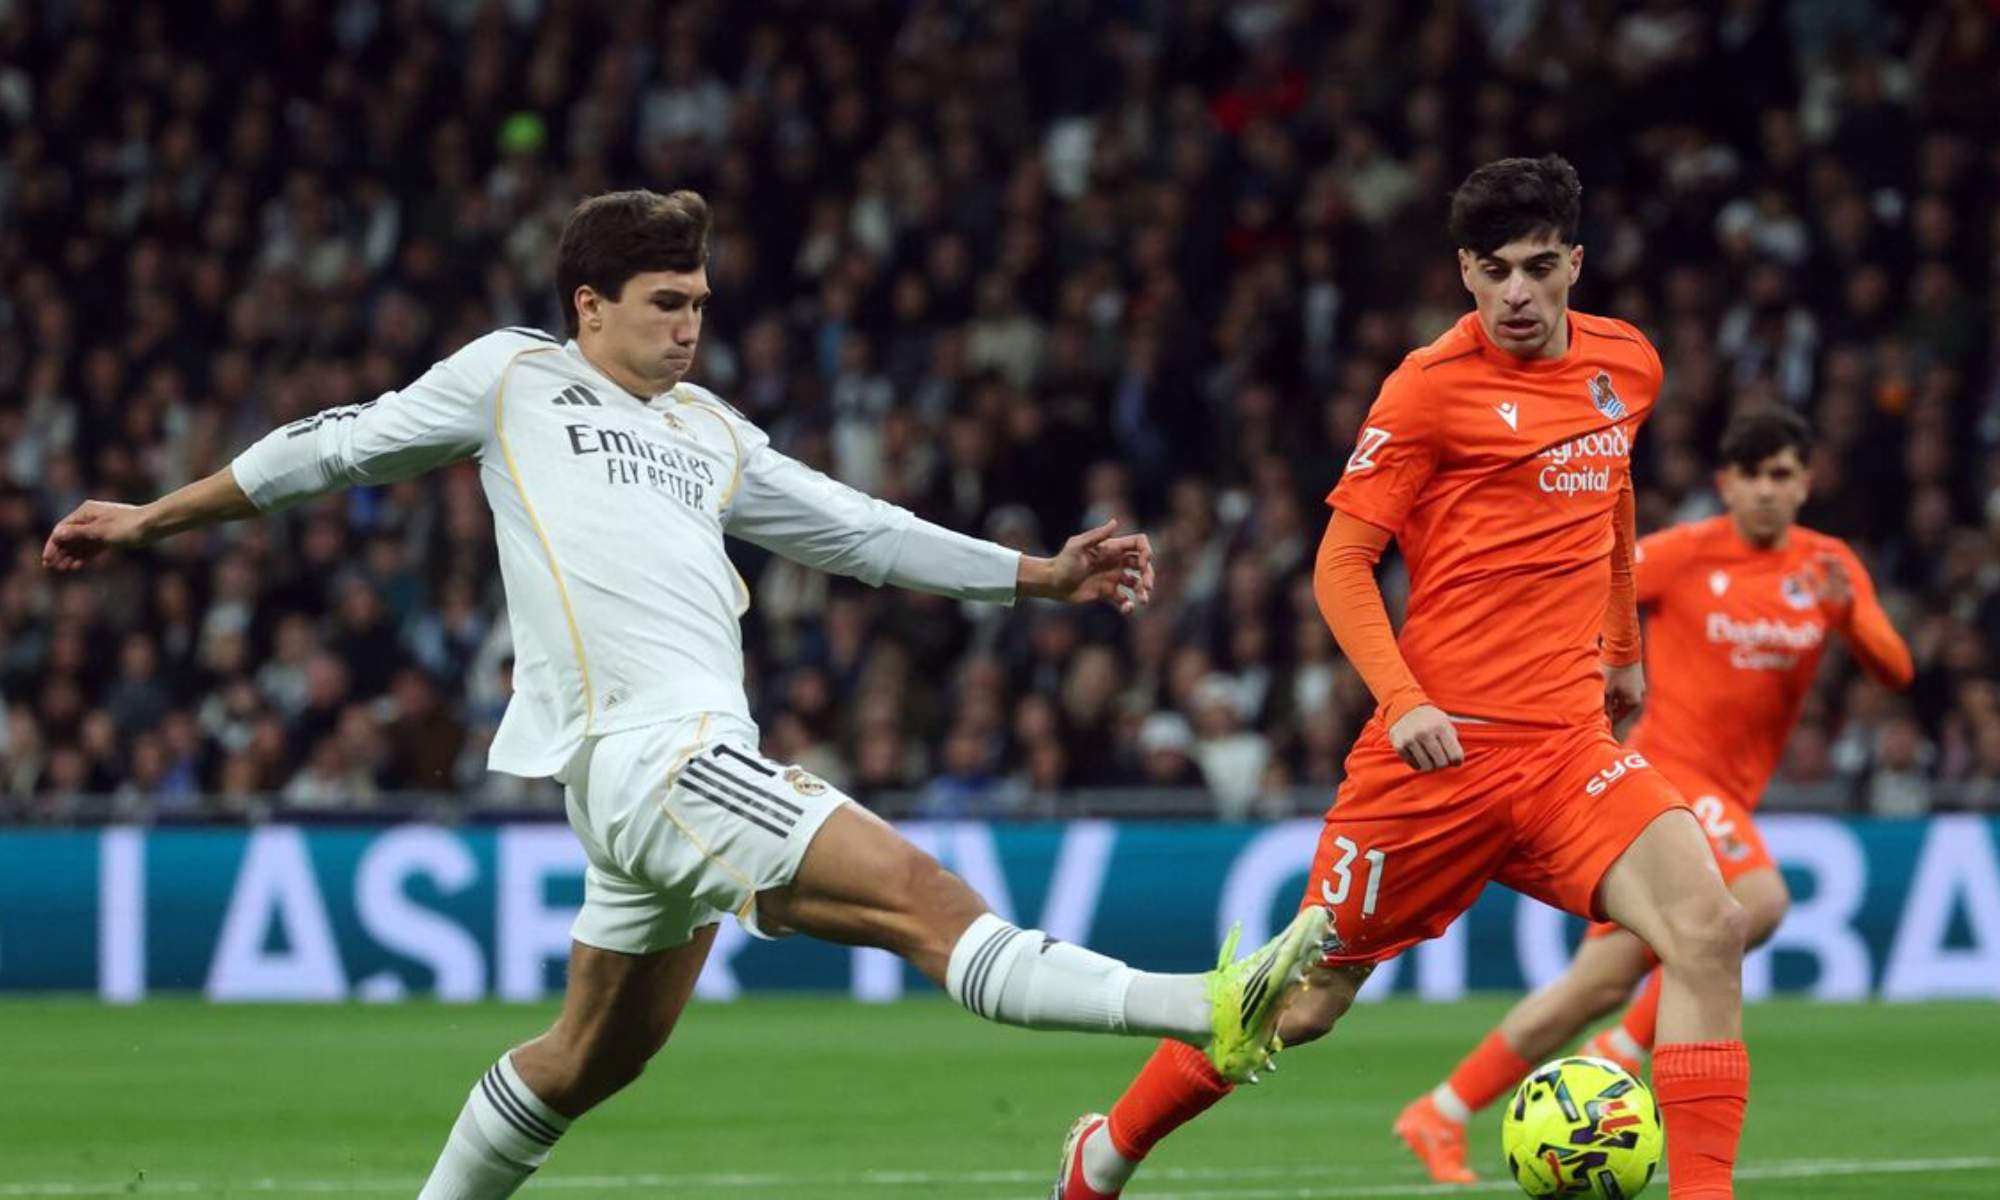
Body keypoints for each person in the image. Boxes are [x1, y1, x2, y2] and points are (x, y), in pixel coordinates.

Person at [42, 188, 1328, 1200]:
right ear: (588, 306)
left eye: (701, 301)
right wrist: (156, 518)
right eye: (664, 302)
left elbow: (857, 528)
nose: (689, 325)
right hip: (654, 757)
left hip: (668, 771)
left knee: (588, 1058)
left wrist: (1036, 578)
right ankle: (1212, 1006)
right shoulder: (512, 377)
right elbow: (331, 446)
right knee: (927, 905)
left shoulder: (710, 430)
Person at [1053, 155, 1752, 1200]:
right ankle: (1102, 1154)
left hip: (1565, 753)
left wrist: (1620, 645)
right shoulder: (1426, 389)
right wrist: (1405, 698)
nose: (1516, 294)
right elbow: (1339, 564)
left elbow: (1611, 499)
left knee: (1708, 926)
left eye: (1537, 267)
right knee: (1299, 1007)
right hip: (1434, 762)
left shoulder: (1626, 366)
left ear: (1574, 261)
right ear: (1464, 272)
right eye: (1493, 271)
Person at [1395, 405, 1913, 1182]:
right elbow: (1599, 584)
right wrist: (1589, 672)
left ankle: (1439, 1111)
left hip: (1728, 789)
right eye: (1752, 476)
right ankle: (1624, 1050)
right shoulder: (1682, 553)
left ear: (1806, 482)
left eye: (1783, 475)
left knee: (1596, 984)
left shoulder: (1828, 567)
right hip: (1666, 774)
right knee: (1759, 902)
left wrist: (1849, 614)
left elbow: (1896, 670)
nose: (1768, 492)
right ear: (1725, 484)